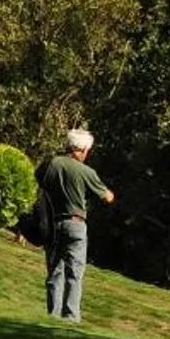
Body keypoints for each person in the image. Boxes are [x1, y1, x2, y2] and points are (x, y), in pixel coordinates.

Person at [40, 126, 115, 322]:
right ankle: (71, 316)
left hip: (53, 223)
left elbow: (40, 182)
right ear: (81, 150)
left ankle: (53, 315)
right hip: (76, 224)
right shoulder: (86, 171)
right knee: (74, 272)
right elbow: (107, 197)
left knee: (54, 272)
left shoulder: (52, 164)